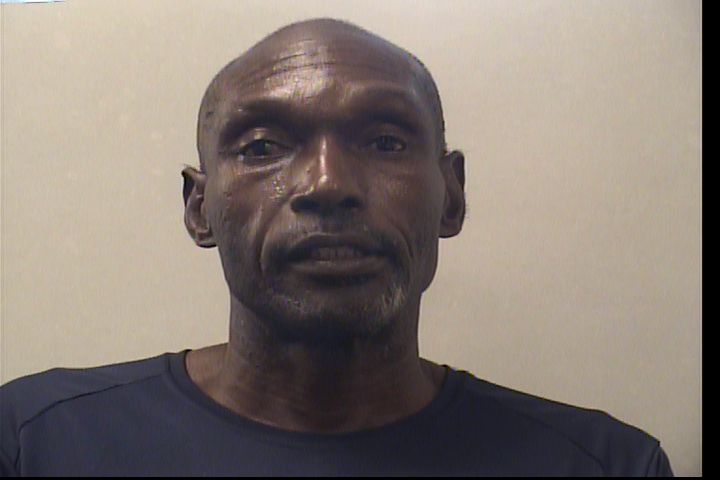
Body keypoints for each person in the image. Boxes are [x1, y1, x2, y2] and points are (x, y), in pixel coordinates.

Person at [0, 18, 673, 476]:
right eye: (263, 147)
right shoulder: (37, 443)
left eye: (384, 142)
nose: (328, 185)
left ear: (451, 195)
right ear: (199, 208)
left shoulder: (605, 464)